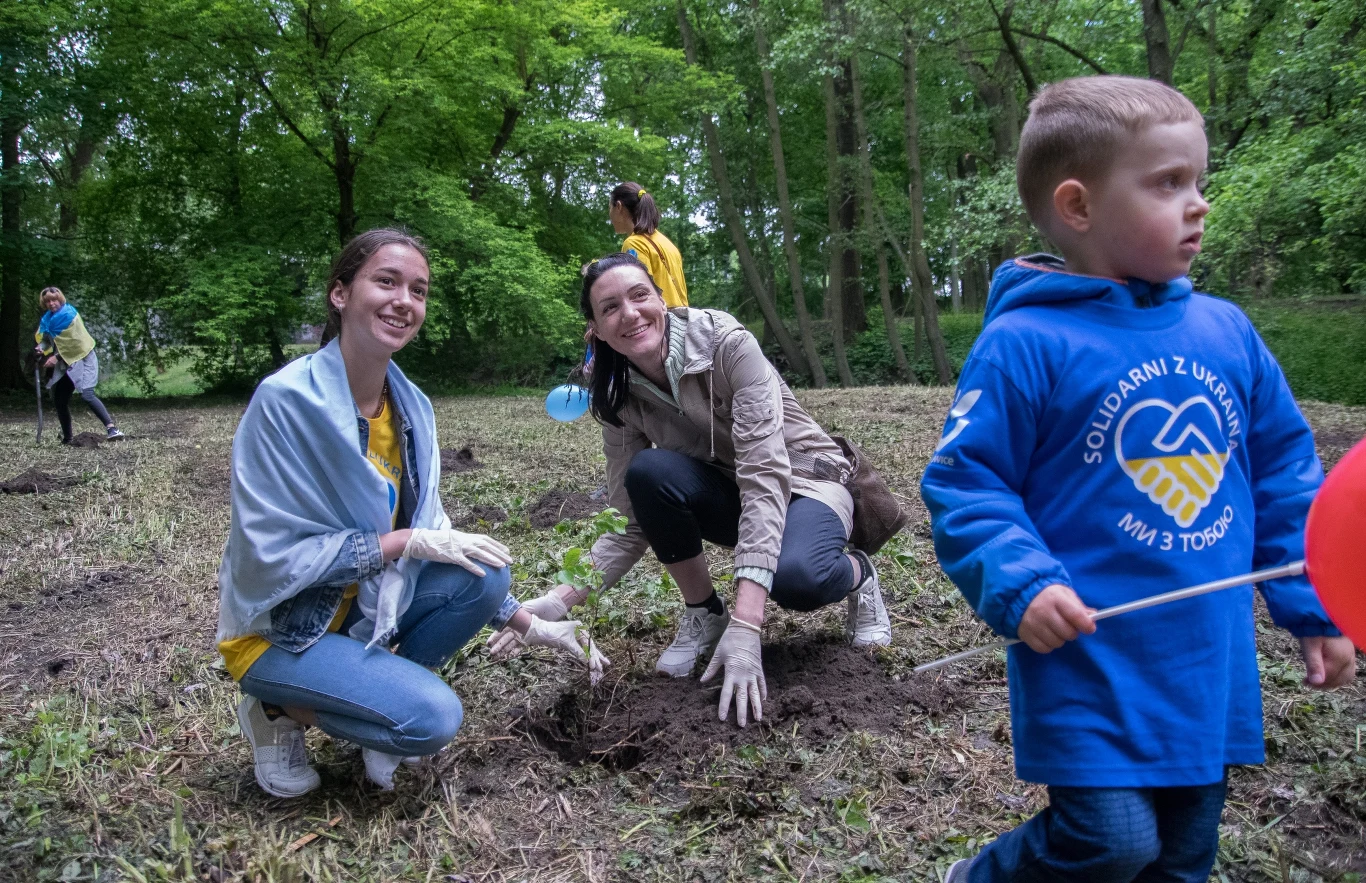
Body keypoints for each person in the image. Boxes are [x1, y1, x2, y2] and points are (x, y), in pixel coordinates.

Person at [920, 76, 1357, 883]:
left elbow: (1287, 477)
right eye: (1168, 183)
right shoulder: (1027, 341)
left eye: (1199, 180)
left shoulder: (1226, 329)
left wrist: (1315, 606)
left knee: (1185, 855)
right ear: (1079, 207)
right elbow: (967, 480)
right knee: (1111, 841)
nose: (1199, 204)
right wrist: (1020, 583)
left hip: (1204, 658)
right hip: (1088, 653)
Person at [216, 228, 606, 798]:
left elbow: (435, 531)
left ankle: (370, 709)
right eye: (386, 281)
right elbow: (266, 555)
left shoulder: (412, 408)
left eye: (418, 290)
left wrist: (531, 624)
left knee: (485, 572)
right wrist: (403, 544)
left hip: (360, 612)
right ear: (340, 294)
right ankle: (274, 706)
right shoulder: (286, 403)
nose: (405, 300)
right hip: (283, 630)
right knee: (431, 721)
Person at [489, 252, 891, 728]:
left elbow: (765, 478)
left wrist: (749, 626)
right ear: (595, 329)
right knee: (649, 472)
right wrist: (559, 601)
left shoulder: (727, 344)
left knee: (796, 579)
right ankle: (705, 613)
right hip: (728, 487)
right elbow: (627, 515)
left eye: (640, 296)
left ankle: (857, 574)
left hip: (805, 481)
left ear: (662, 299)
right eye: (610, 307)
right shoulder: (615, 389)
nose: (631, 313)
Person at [33, 287, 123, 443]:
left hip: (83, 357)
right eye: (48, 301)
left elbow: (77, 343)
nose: (52, 303)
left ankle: (112, 429)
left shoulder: (70, 316)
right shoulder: (48, 320)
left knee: (87, 394)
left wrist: (56, 358)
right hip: (66, 363)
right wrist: (40, 349)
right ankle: (68, 438)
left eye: (54, 300)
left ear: (60, 299)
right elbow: (48, 340)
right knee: (60, 400)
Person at [610, 182, 688, 308]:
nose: (610, 215)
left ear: (618, 206)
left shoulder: (634, 243)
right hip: (682, 318)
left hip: (661, 320)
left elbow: (638, 291)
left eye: (610, 208)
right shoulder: (664, 241)